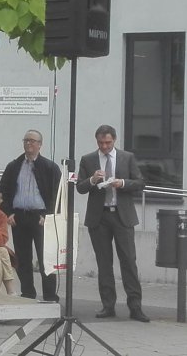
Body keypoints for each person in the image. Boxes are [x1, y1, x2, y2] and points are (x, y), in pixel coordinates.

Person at [76, 125, 149, 322]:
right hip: (99, 217)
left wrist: (122, 183)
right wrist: (92, 179)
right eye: (100, 143)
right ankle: (108, 305)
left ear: (114, 140)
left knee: (129, 261)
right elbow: (80, 187)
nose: (104, 146)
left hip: (122, 216)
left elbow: (140, 182)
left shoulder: (127, 157)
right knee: (104, 263)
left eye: (107, 142)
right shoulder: (88, 159)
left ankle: (135, 307)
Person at [0, 129, 61, 302]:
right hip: (19, 217)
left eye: (32, 141)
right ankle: (27, 293)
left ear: (40, 145)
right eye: (26, 140)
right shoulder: (14, 166)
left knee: (45, 258)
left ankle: (49, 295)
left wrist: (48, 215)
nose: (28, 143)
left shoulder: (50, 167)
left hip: (41, 218)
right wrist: (8, 212)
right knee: (23, 258)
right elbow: (3, 190)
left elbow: (57, 194)